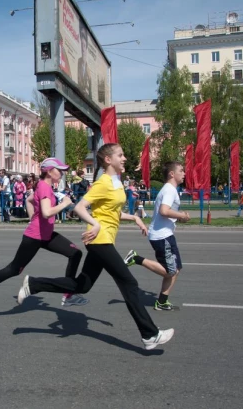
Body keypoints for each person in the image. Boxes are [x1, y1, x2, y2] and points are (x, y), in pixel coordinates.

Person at [17, 144, 174, 350]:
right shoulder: (103, 183)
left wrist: (134, 217)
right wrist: (96, 223)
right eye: (120, 155)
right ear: (108, 160)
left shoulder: (115, 182)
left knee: (82, 286)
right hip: (100, 240)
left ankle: (35, 284)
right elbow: (81, 206)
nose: (124, 158)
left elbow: (112, 211)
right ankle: (149, 334)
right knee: (129, 283)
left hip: (103, 240)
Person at [0, 157, 89, 311]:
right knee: (14, 269)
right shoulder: (44, 187)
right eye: (60, 170)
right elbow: (46, 213)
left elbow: (29, 200)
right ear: (49, 171)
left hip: (46, 235)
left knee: (75, 253)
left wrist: (33, 217)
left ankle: (68, 294)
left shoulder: (44, 186)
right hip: (34, 237)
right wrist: (64, 204)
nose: (62, 173)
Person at [123, 161, 190, 312]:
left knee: (176, 268)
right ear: (172, 174)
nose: (184, 173)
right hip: (161, 236)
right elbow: (164, 211)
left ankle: (161, 302)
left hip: (165, 234)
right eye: (181, 170)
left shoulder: (170, 189)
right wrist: (181, 216)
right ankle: (136, 258)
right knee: (170, 271)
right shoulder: (169, 190)